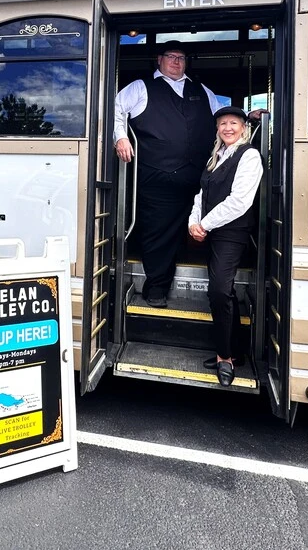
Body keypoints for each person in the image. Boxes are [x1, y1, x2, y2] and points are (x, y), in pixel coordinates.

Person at [114, 43, 222, 308]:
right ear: (159, 59)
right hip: (158, 177)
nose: (176, 62)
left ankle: (219, 294)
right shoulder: (140, 87)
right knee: (159, 234)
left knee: (209, 229)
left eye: (181, 58)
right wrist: (121, 138)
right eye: (171, 57)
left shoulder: (202, 90)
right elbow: (115, 110)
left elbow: (222, 116)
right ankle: (156, 289)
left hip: (199, 177)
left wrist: (247, 116)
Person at [188, 106, 262, 387]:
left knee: (219, 291)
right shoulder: (217, 155)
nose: (227, 128)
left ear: (243, 127)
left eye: (233, 123)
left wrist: (205, 224)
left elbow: (240, 201)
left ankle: (225, 357)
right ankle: (235, 351)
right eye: (222, 124)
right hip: (213, 231)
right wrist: (193, 222)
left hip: (231, 233)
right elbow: (201, 194)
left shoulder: (249, 156)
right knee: (225, 292)